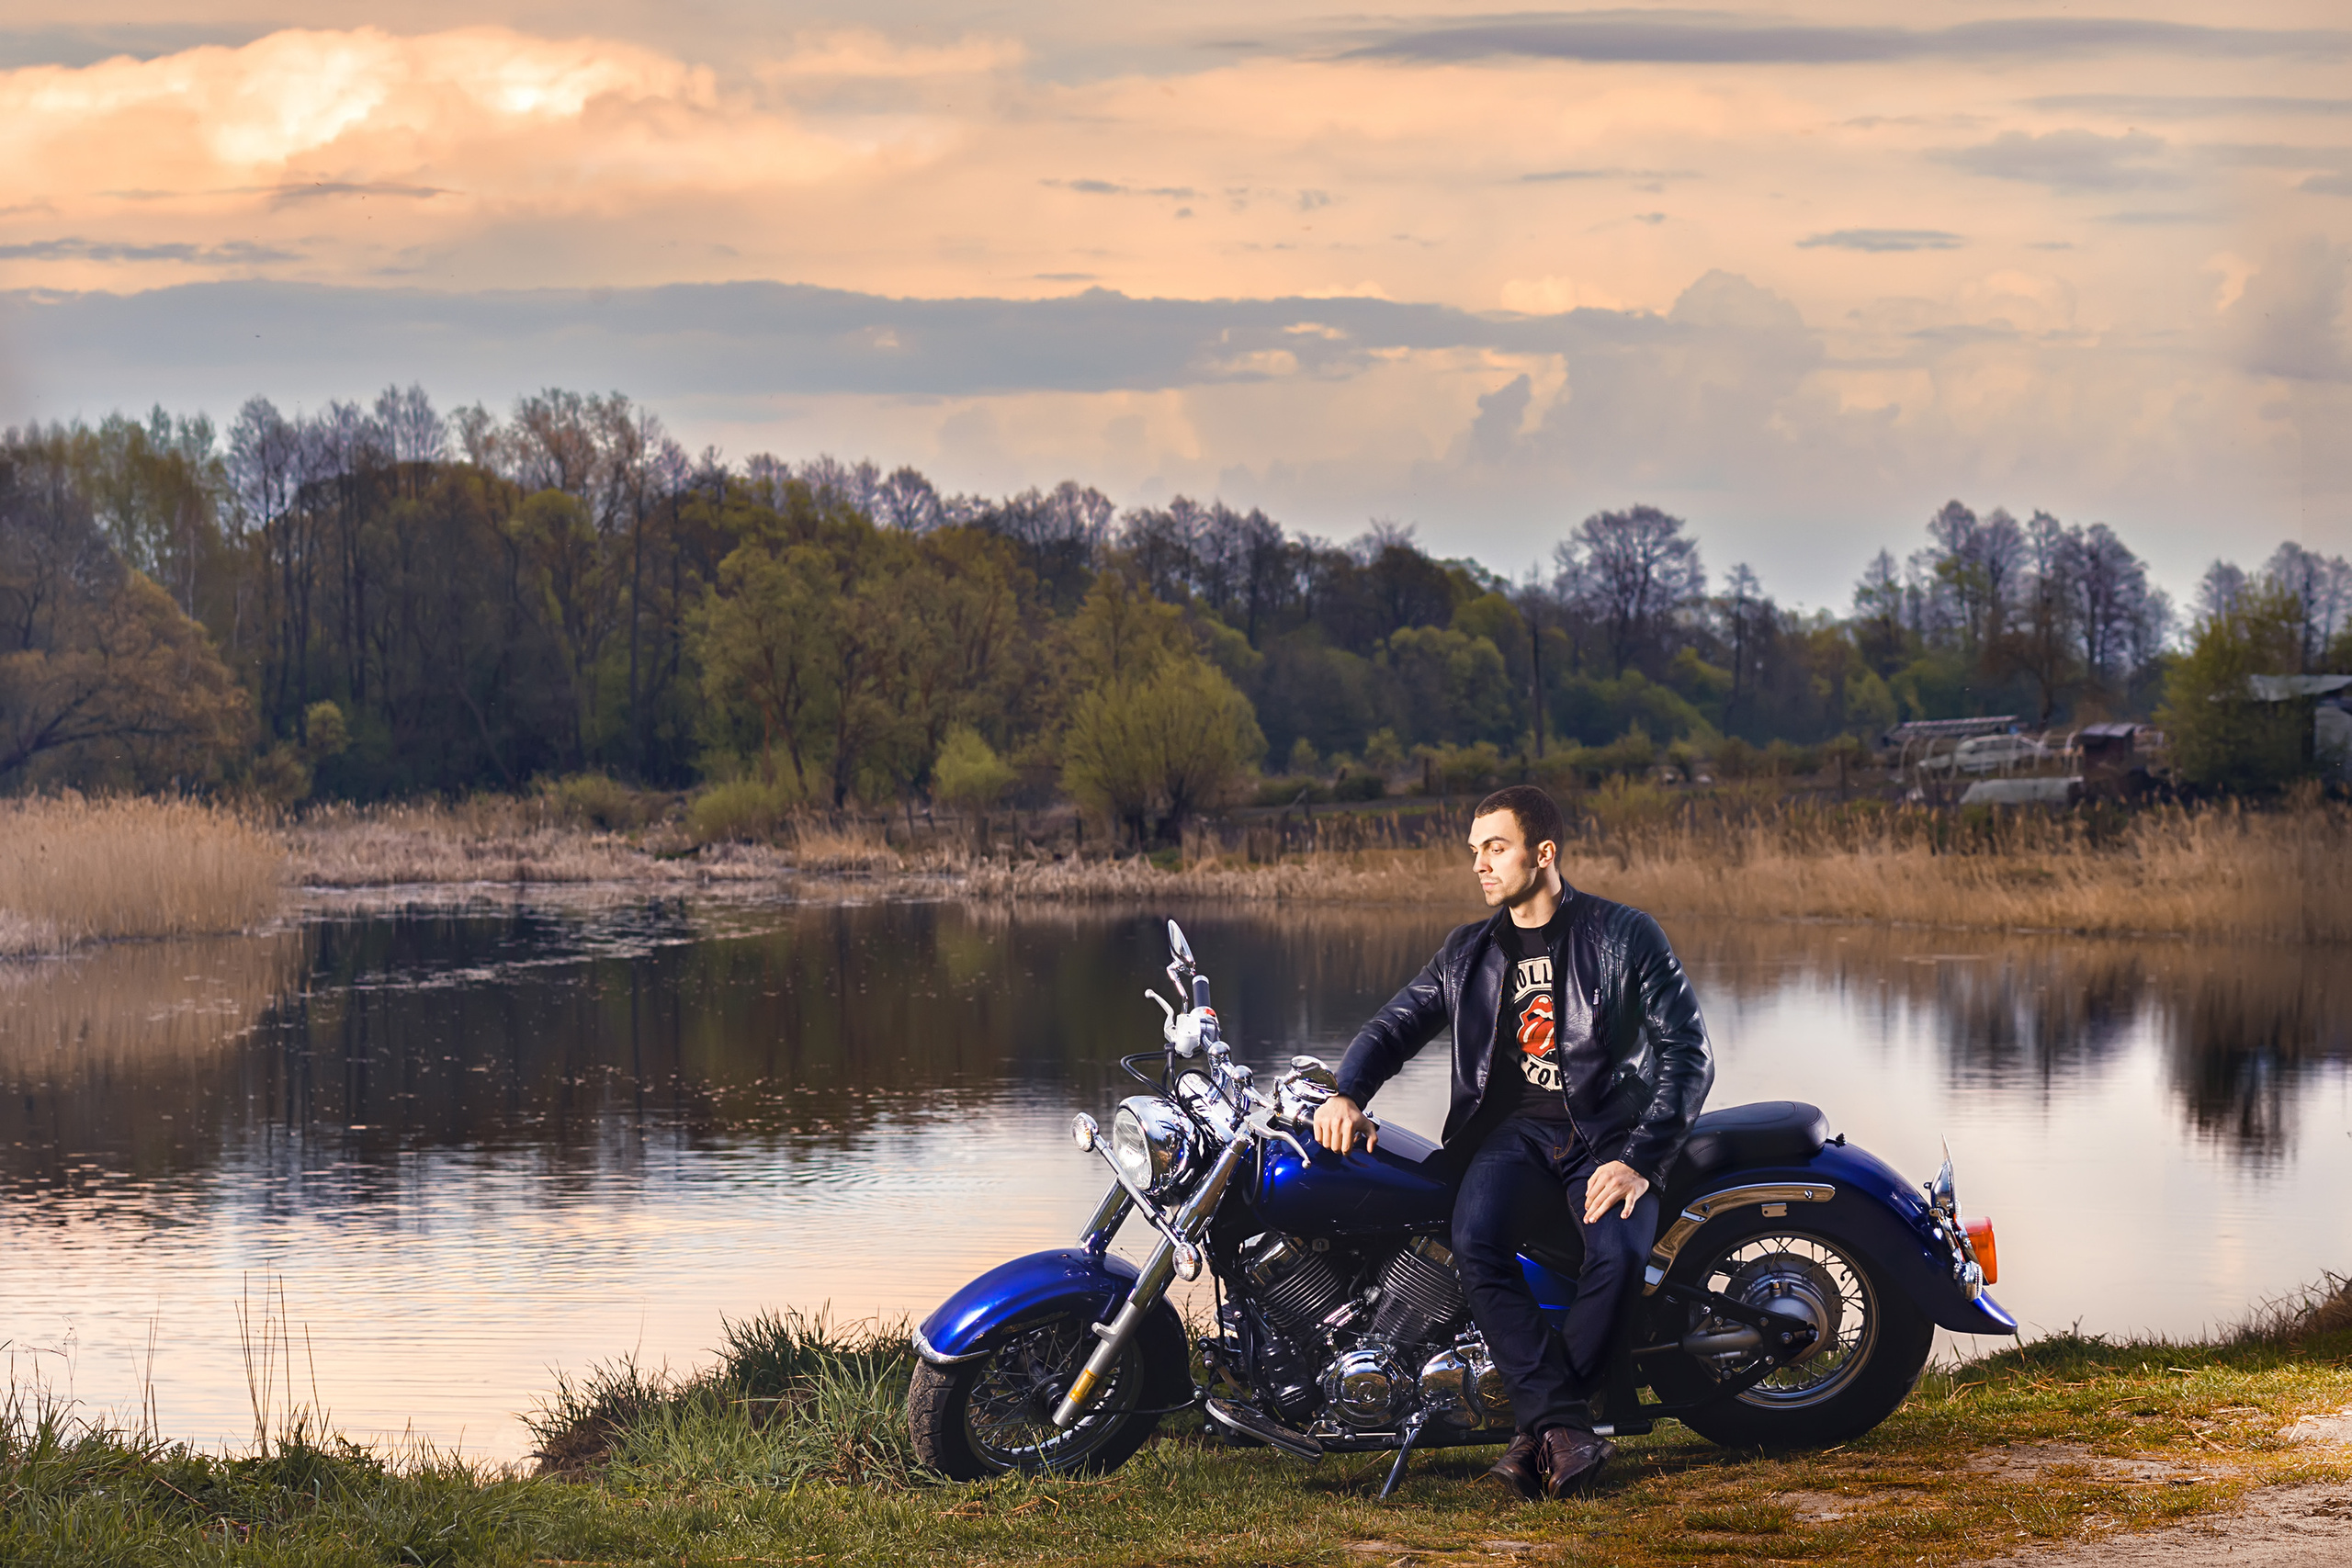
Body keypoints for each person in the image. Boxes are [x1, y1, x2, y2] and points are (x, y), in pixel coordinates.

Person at [1312, 784, 1713, 1499]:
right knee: (1475, 1241)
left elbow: (1689, 1053)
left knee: (1619, 1253)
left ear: (1543, 852)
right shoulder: (1469, 950)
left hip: (1607, 1132)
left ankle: (1539, 1432)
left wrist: (1638, 1160)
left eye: (1496, 847)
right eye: (1475, 850)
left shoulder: (1624, 935)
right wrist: (1347, 1091)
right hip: (1516, 1134)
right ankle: (1564, 1430)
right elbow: (1394, 1025)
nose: (1480, 863)